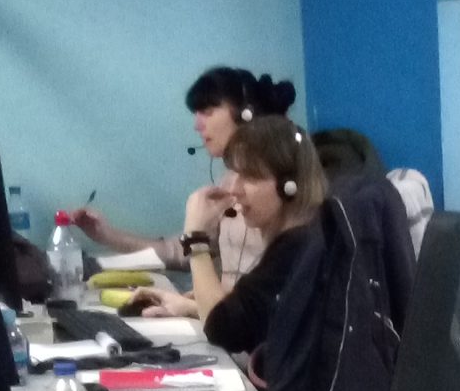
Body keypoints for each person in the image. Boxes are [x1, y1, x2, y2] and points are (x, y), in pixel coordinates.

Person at [66, 68, 295, 279]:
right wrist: (107, 235)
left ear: (246, 114)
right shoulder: (230, 181)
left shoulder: (278, 186)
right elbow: (179, 251)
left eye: (207, 111)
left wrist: (196, 302)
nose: (197, 125)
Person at [183, 115, 326, 368]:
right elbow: (251, 314)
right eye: (235, 174)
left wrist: (196, 240)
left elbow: (222, 329)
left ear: (289, 185)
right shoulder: (306, 240)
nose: (235, 189)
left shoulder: (294, 251)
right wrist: (191, 305)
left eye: (249, 177)